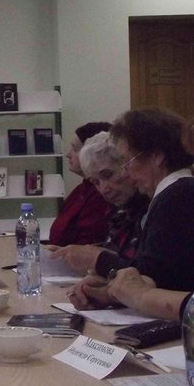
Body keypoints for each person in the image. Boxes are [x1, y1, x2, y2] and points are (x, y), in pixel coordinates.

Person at [67, 107, 194, 310]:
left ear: (156, 156)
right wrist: (109, 290)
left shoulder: (177, 196)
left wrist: (100, 261)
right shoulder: (172, 194)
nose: (126, 172)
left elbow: (154, 278)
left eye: (128, 161)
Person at [48, 132, 149, 274]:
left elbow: (142, 272)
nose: (103, 189)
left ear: (127, 166)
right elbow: (116, 253)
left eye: (108, 175)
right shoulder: (119, 212)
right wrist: (70, 253)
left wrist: (96, 259)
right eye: (95, 182)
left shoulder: (151, 210)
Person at [49, 122, 113, 246]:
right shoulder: (81, 189)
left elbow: (88, 241)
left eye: (75, 149)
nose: (68, 155)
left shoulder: (99, 194)